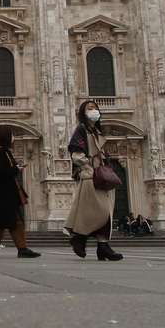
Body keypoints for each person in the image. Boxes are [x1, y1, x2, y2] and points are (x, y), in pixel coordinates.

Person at [65, 100, 122, 261]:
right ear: (83, 113)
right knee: (100, 212)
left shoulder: (96, 131)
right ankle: (82, 239)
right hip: (91, 175)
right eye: (90, 108)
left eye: (95, 108)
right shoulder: (81, 130)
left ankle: (99, 246)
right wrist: (88, 168)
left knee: (103, 212)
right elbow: (76, 153)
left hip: (100, 175)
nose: (94, 111)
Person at [0, 126, 40, 259]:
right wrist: (15, 169)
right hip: (1, 197)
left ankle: (21, 248)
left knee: (11, 222)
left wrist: (15, 168)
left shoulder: (4, 152)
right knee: (0, 224)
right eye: (11, 135)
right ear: (6, 137)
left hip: (6, 196)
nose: (13, 138)